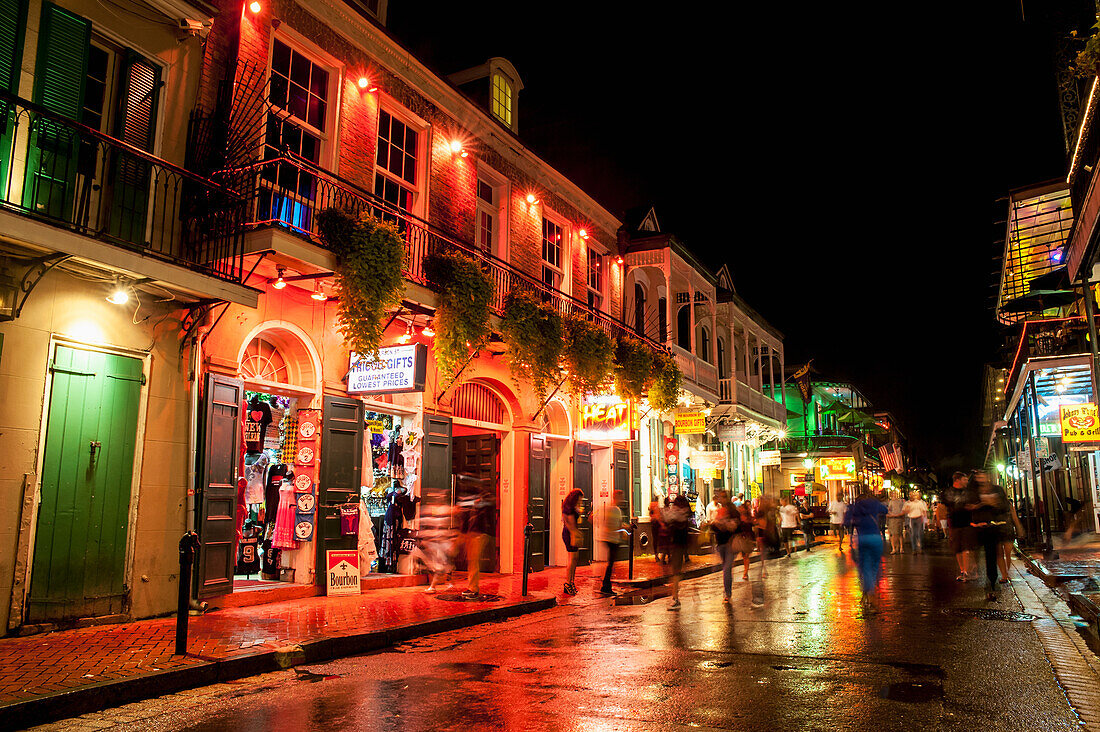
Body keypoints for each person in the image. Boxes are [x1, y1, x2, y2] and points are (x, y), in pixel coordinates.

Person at [968, 471, 1010, 601]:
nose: (981, 479)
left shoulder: (997, 490)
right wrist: (979, 505)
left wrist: (993, 504)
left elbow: (1005, 506)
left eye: (983, 476)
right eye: (978, 476)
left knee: (992, 556)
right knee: (976, 553)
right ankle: (976, 572)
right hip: (978, 527)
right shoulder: (973, 492)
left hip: (993, 526)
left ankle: (992, 583)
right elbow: (967, 506)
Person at [847, 486, 888, 613]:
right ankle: (870, 594)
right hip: (876, 538)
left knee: (865, 568)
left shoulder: (854, 507)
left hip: (862, 539)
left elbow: (846, 523)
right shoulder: (874, 504)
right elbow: (885, 510)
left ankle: (869, 596)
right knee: (875, 567)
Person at [460, 485, 493, 599]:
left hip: (479, 534)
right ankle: (472, 586)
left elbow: (483, 521)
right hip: (472, 534)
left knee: (473, 560)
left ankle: (473, 588)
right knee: (471, 560)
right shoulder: (471, 507)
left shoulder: (482, 506)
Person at [946, 471, 977, 580]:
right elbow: (946, 506)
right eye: (964, 479)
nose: (967, 481)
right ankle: (963, 570)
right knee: (958, 549)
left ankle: (967, 572)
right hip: (955, 523)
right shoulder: (949, 492)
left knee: (966, 548)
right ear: (957, 480)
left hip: (967, 523)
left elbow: (974, 504)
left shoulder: (968, 492)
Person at [665, 493, 692, 610]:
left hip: (675, 544)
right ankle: (675, 596)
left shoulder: (674, 515)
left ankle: (675, 598)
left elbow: (666, 519)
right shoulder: (685, 515)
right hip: (682, 545)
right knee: (676, 571)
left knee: (675, 572)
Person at [598, 491, 627, 596]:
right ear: (617, 497)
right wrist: (626, 528)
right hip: (613, 539)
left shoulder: (607, 508)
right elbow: (618, 525)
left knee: (610, 563)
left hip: (606, 537)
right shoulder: (616, 510)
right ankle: (606, 585)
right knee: (611, 564)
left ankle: (606, 584)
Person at [710, 491, 736, 603]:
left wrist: (726, 525)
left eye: (724, 497)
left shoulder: (733, 511)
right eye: (721, 497)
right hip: (721, 543)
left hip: (730, 543)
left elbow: (737, 526)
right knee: (726, 567)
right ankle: (727, 590)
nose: (722, 499)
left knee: (727, 568)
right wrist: (715, 525)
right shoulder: (719, 510)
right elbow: (715, 526)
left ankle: (727, 593)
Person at [562, 489, 584, 595]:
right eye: (580, 498)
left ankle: (571, 582)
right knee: (572, 559)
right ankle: (568, 583)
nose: (581, 501)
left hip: (571, 533)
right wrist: (575, 534)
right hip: (570, 534)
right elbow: (570, 524)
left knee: (574, 559)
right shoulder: (570, 509)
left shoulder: (569, 507)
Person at [903, 490, 929, 555]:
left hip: (919, 518)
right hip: (912, 518)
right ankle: (914, 549)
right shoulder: (908, 503)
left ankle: (921, 548)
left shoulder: (920, 503)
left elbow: (924, 511)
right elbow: (905, 511)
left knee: (920, 533)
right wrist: (907, 509)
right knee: (913, 534)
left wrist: (925, 519)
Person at [886, 491, 906, 555]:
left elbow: (903, 510)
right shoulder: (890, 502)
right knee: (892, 534)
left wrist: (898, 515)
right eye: (893, 494)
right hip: (892, 519)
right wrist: (891, 515)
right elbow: (888, 510)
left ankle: (901, 547)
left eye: (895, 494)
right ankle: (894, 548)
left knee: (899, 533)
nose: (894, 495)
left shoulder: (901, 501)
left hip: (898, 519)